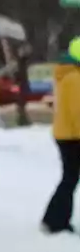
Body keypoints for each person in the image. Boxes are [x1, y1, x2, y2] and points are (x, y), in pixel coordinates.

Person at [41, 35, 81, 234]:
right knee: (70, 178)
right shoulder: (75, 78)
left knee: (70, 178)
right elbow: (78, 110)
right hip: (74, 136)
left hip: (66, 134)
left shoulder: (67, 75)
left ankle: (55, 218)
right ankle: (56, 220)